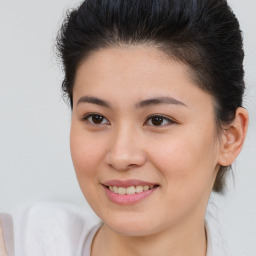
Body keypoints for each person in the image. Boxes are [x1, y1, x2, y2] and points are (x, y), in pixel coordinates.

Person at [0, 0, 249, 255]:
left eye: (158, 120)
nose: (120, 156)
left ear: (230, 137)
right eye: (97, 118)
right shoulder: (20, 244)